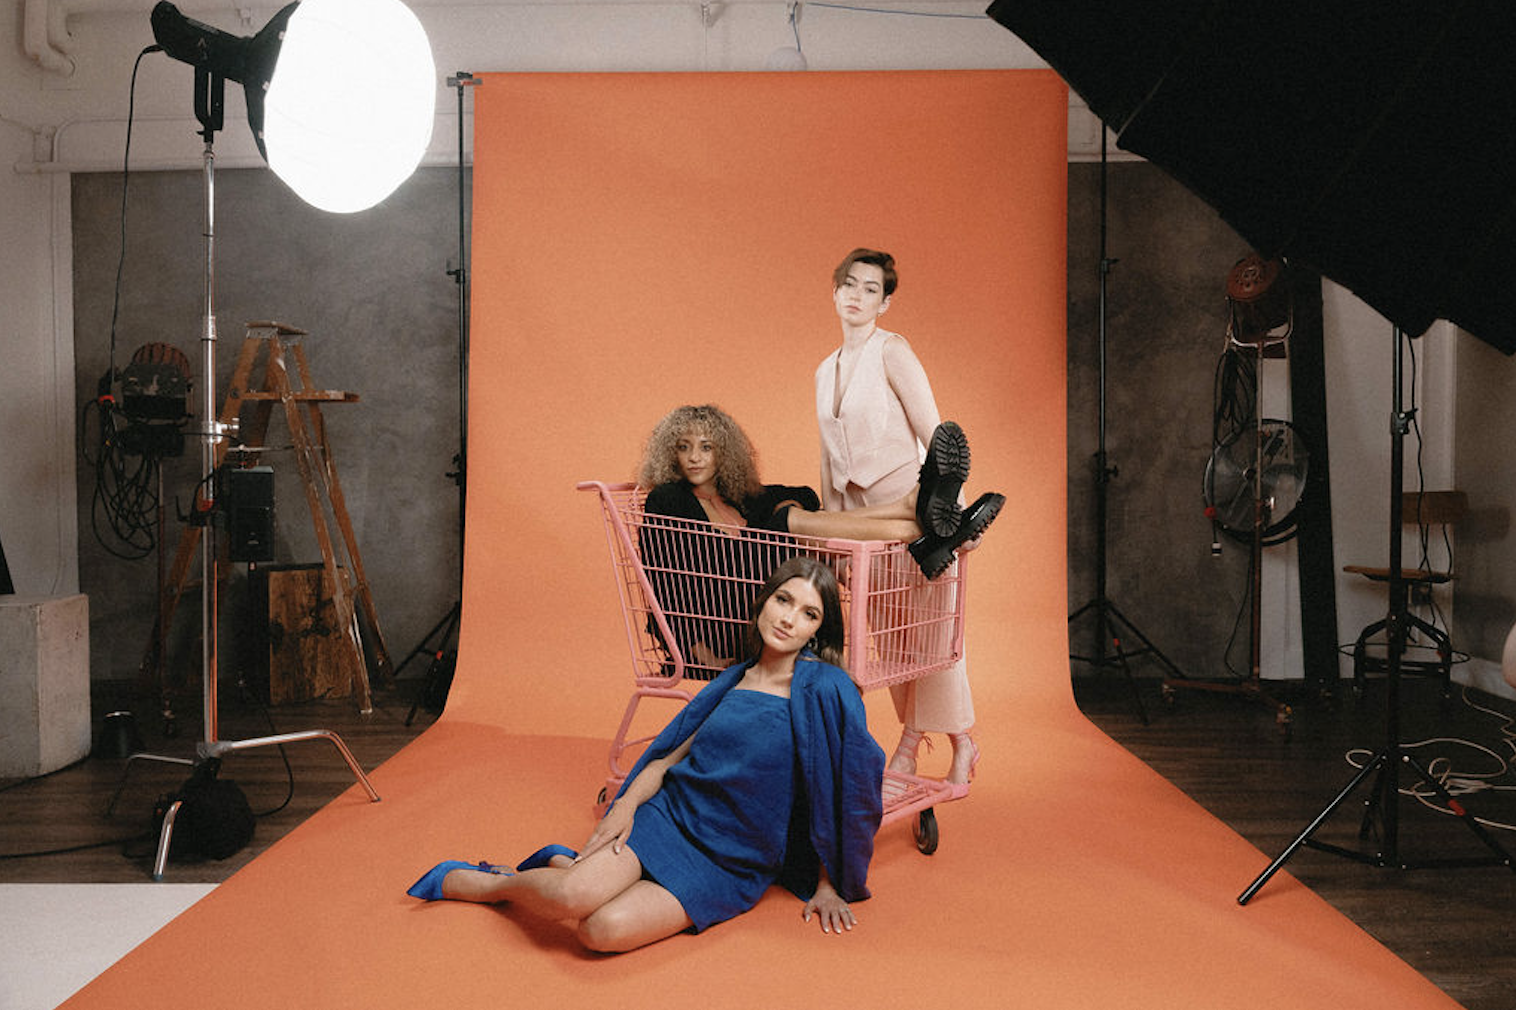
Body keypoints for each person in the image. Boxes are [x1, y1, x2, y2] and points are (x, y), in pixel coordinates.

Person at [405, 557, 886, 953]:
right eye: (783, 600)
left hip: (733, 862)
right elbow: (665, 760)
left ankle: (562, 865)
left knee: (599, 931)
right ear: (763, 602)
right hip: (671, 819)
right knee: (573, 897)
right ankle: (494, 884)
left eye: (809, 613)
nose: (788, 618)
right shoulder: (729, 682)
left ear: (818, 634)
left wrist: (829, 883)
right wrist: (627, 808)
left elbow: (846, 787)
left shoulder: (826, 689)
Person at [636, 404, 1001, 670]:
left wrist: (793, 511)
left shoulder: (735, 497)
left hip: (771, 611)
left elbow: (801, 493)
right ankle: (915, 524)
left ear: (723, 453)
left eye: (706, 447)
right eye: (683, 447)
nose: (694, 458)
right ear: (671, 453)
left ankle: (914, 520)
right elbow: (664, 583)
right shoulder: (669, 499)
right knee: (784, 522)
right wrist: (699, 653)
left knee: (791, 514)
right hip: (724, 625)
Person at [816, 248, 990, 790]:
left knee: (931, 632)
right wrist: (832, 536)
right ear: (834, 291)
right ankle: (961, 740)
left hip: (912, 509)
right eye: (849, 284)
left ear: (885, 303)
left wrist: (946, 513)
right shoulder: (824, 370)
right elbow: (828, 461)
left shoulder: (893, 352)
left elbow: (939, 437)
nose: (856, 295)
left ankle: (911, 747)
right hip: (860, 520)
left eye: (870, 289)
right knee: (890, 639)